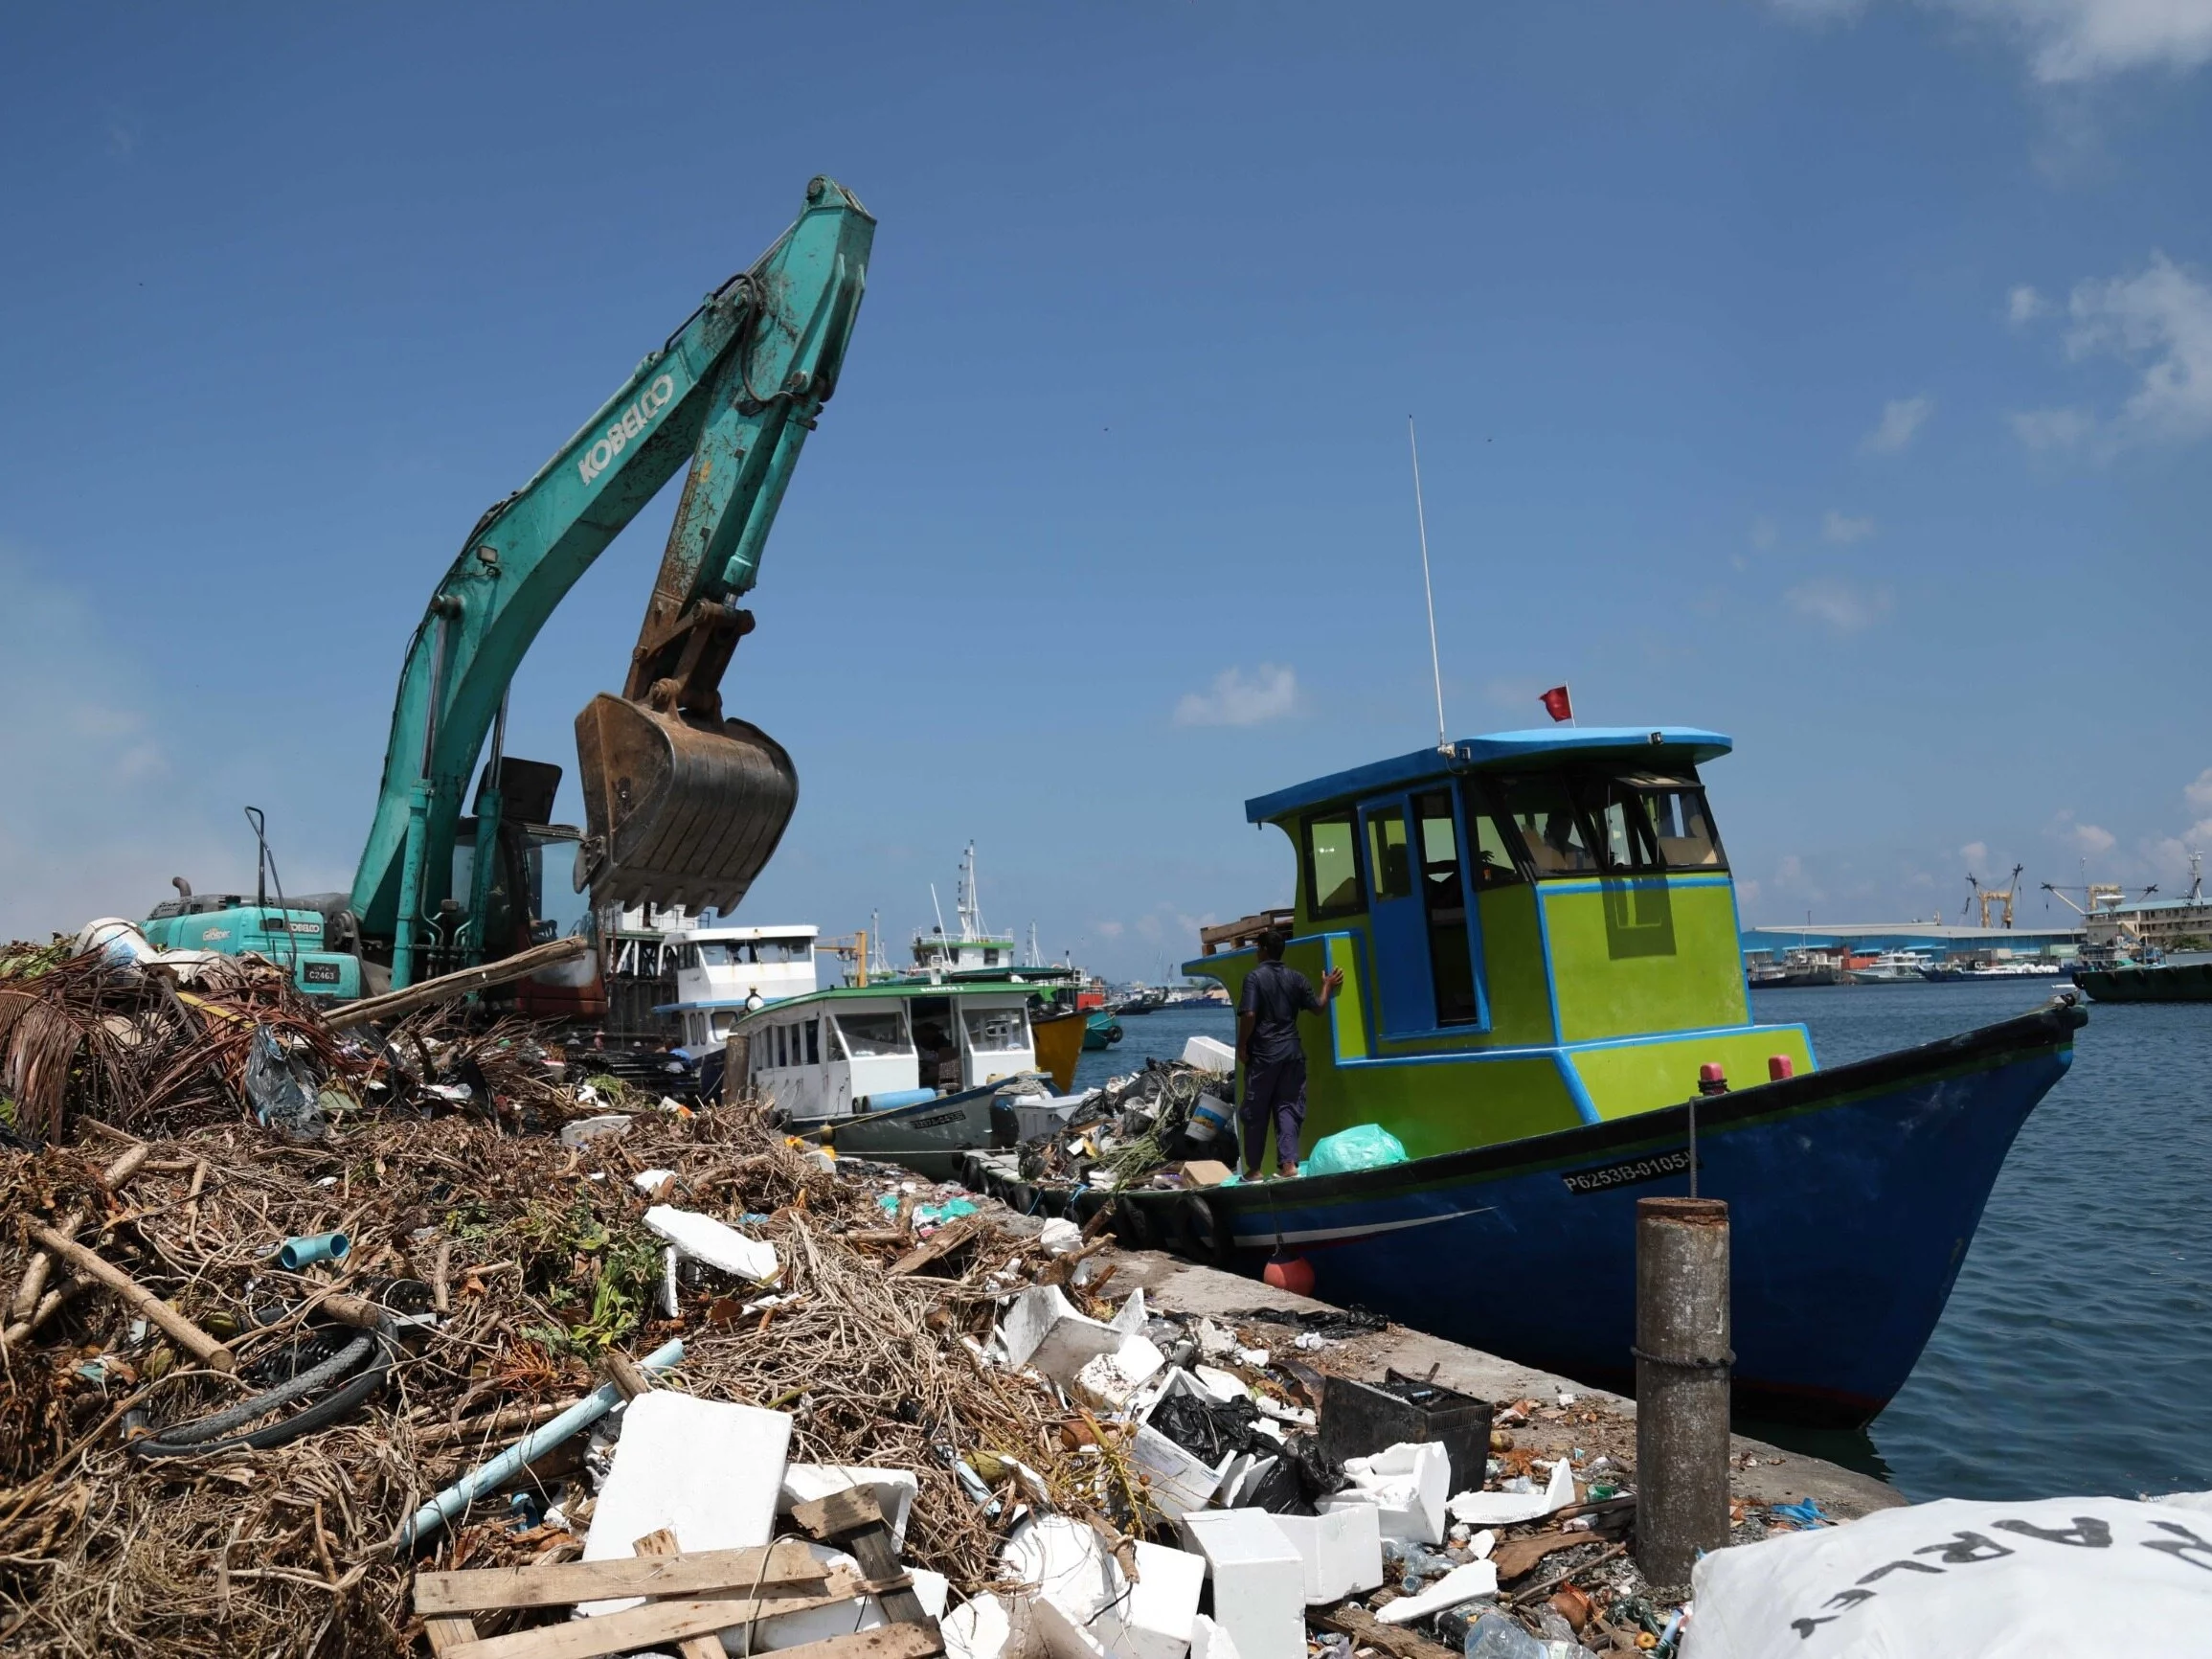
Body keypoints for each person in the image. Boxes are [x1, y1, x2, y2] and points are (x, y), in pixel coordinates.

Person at [1235, 930, 1342, 1179]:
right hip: (1292, 1055)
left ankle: (1254, 1170)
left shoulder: (1254, 978)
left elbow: (1249, 1014)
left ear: (1262, 949)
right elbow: (1317, 1007)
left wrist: (1242, 1045)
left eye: (1257, 948)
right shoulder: (1297, 978)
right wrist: (1327, 986)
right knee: (1289, 1108)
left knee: (1255, 1112)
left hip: (1263, 1056)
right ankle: (1289, 1166)